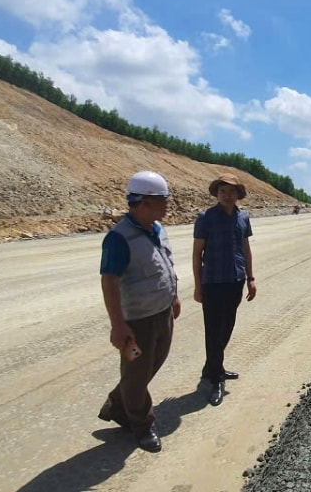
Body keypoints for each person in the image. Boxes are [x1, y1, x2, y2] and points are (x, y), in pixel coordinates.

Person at [97, 170, 181, 453]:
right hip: (138, 320)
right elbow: (109, 281)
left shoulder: (157, 229)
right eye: (163, 200)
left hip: (162, 312)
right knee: (136, 375)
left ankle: (118, 404)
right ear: (144, 202)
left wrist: (174, 296)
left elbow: (167, 266)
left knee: (151, 364)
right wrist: (118, 325)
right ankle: (142, 424)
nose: (169, 205)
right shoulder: (119, 238)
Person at [193, 173, 257, 406]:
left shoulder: (243, 218)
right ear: (216, 193)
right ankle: (216, 377)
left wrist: (250, 278)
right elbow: (196, 253)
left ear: (238, 194)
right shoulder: (205, 218)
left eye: (231, 192)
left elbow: (245, 249)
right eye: (223, 191)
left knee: (227, 326)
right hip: (212, 281)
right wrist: (198, 286)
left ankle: (212, 366)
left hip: (235, 279)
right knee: (213, 330)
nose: (227, 195)